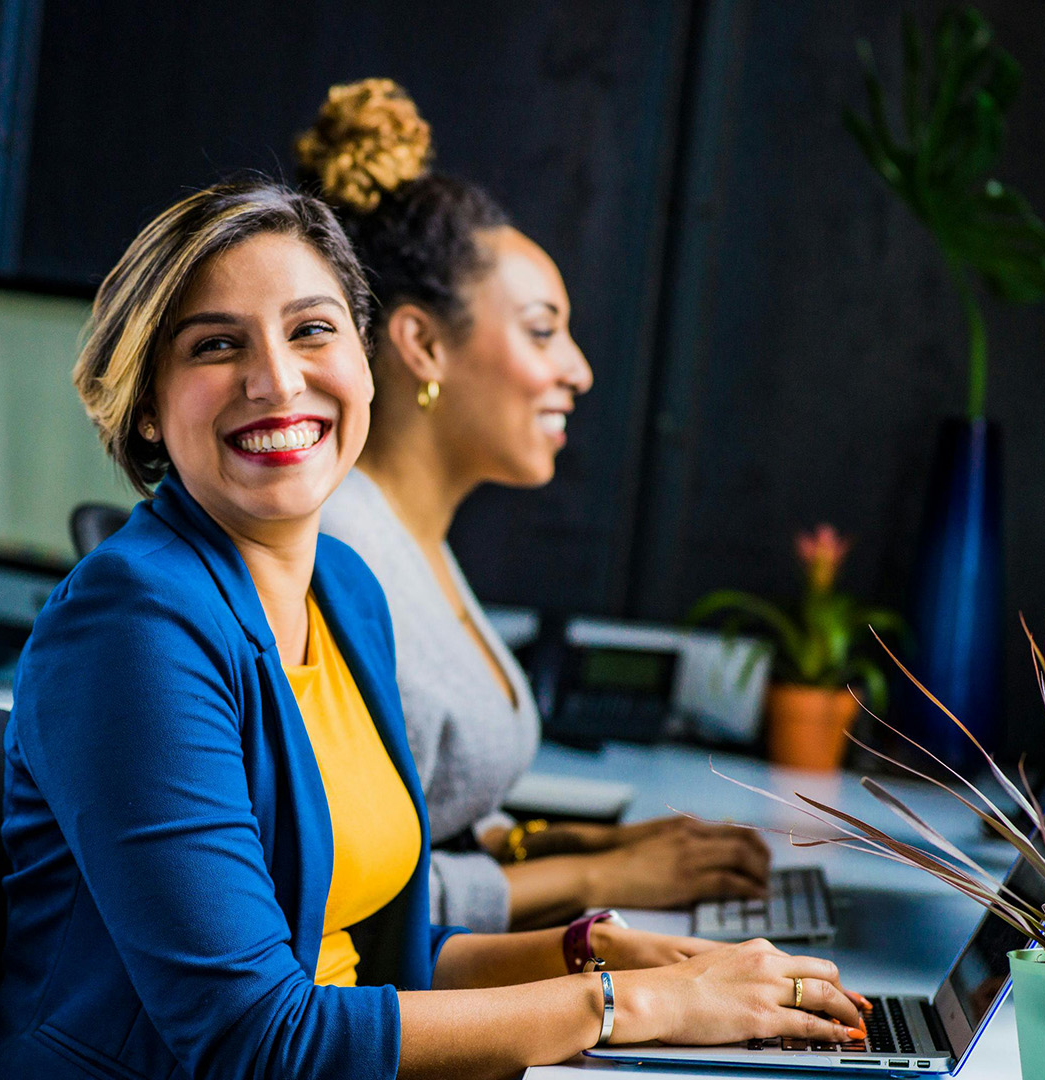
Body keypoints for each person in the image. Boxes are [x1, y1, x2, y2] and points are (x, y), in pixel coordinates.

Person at [0, 178, 867, 1080]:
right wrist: (625, 1006)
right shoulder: (132, 630)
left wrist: (597, 954)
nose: (277, 379)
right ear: (144, 405)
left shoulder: (345, 590)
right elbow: (256, 1039)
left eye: (312, 330)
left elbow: (381, 964)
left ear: (367, 365)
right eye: (217, 345)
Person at [301, 78, 772, 933]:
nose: (579, 370)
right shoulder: (339, 556)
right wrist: (604, 879)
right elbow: (348, 900)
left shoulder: (413, 540)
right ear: (423, 343)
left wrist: (582, 848)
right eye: (543, 330)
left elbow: (431, 823)